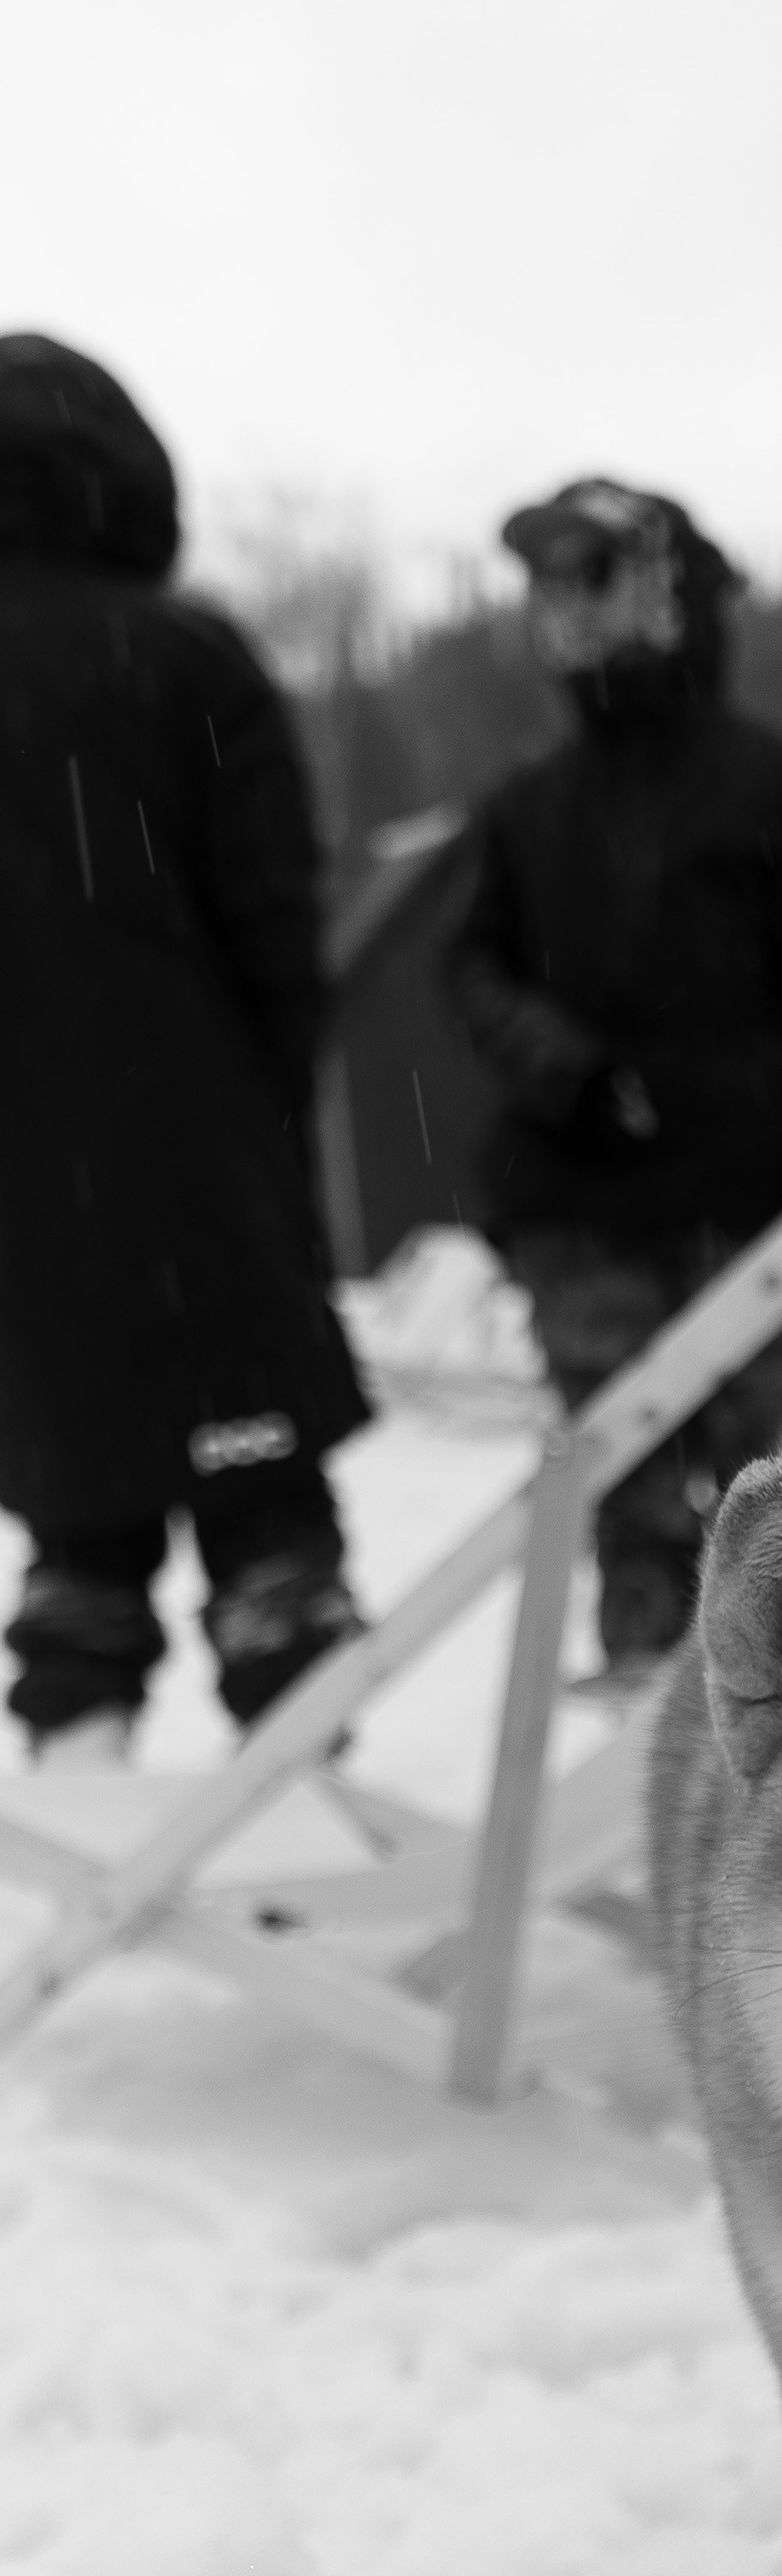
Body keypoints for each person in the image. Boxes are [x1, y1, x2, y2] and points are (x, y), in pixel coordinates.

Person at [445, 478, 782, 1680]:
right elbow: (471, 975)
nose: (571, 617)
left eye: (597, 582)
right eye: (552, 589)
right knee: (629, 1479)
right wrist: (569, 1074)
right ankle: (640, 1704)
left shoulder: (764, 783)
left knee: (767, 1485)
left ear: (669, 596)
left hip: (749, 1194)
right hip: (579, 1201)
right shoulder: (526, 810)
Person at [0, 336, 370, 1762]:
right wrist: (250, 1122)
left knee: (79, 1543)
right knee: (271, 1542)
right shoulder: (186, 657)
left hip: (26, 1226)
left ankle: (87, 1861)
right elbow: (280, 933)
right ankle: (307, 1880)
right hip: (198, 1191)